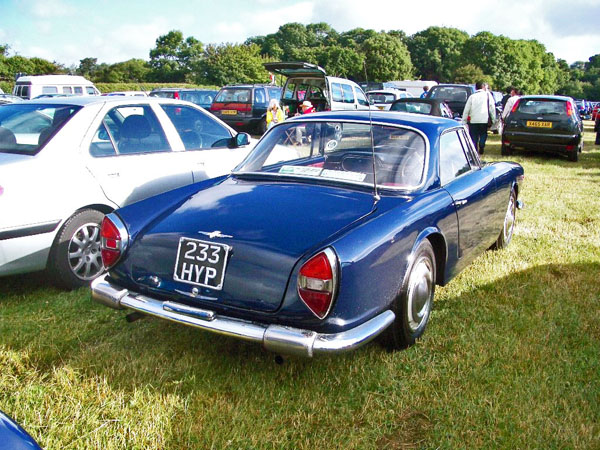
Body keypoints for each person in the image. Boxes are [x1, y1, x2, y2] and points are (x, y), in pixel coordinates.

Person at [462, 81, 496, 154]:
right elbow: (492, 108)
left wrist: (464, 121)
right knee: (483, 134)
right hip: (484, 119)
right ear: (483, 87)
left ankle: (475, 150)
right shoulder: (488, 95)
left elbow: (466, 109)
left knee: (474, 136)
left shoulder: (472, 96)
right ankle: (482, 144)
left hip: (473, 120)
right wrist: (493, 119)